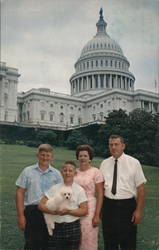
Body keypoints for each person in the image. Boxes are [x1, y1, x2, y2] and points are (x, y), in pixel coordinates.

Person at [100, 134, 147, 250]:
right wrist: (100, 209)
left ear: (123, 146)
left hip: (127, 206)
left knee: (128, 242)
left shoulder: (134, 163)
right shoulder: (104, 163)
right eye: (111, 145)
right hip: (108, 206)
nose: (113, 147)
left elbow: (141, 189)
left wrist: (139, 211)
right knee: (110, 242)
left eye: (116, 144)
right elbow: (100, 188)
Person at [15, 144, 62, 250]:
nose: (45, 158)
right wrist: (21, 216)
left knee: (49, 243)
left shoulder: (56, 174)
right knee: (31, 243)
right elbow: (19, 193)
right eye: (42, 155)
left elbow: (60, 195)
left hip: (49, 211)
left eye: (48, 155)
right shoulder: (27, 171)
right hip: (32, 211)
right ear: (37, 155)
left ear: (52, 157)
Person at [38, 161, 88, 250]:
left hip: (73, 227)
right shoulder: (55, 188)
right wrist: (54, 212)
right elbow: (41, 205)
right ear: (61, 172)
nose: (67, 173)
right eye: (65, 170)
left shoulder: (79, 190)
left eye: (70, 171)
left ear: (75, 173)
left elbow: (84, 210)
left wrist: (68, 211)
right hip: (56, 226)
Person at [74, 145, 104, 250]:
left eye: (85, 156)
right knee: (75, 238)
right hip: (74, 209)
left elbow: (100, 194)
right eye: (80, 156)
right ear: (77, 158)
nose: (82, 158)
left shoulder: (96, 172)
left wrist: (97, 215)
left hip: (90, 209)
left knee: (88, 237)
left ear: (90, 158)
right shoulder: (74, 172)